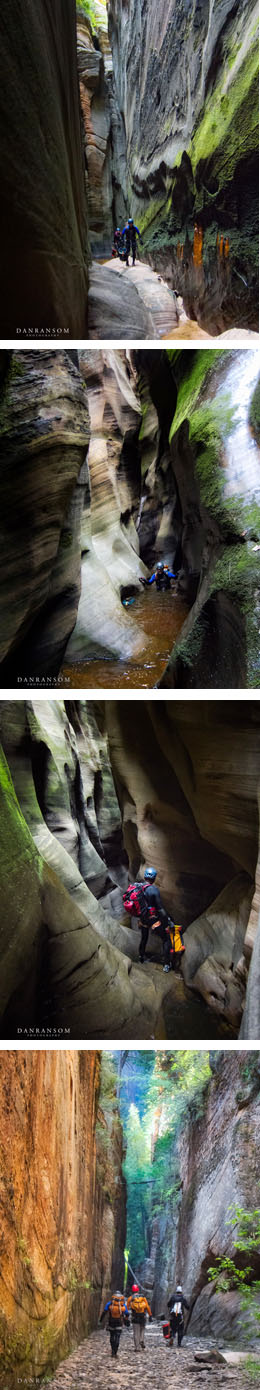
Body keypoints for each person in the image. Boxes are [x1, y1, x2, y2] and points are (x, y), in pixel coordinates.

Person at [138, 867, 170, 967]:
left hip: (142, 919)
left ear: (145, 876)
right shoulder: (153, 890)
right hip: (153, 920)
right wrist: (167, 921)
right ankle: (166, 964)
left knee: (144, 938)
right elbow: (160, 909)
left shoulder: (138, 887)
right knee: (166, 939)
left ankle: (141, 957)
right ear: (154, 878)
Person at [99, 1290, 129, 1358]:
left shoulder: (109, 1304)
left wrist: (100, 1320)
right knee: (117, 1337)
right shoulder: (122, 1304)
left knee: (112, 1336)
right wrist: (126, 1319)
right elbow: (127, 1313)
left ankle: (112, 1351)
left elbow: (104, 1312)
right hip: (119, 1322)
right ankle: (115, 1352)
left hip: (111, 1322)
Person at [127, 1284, 152, 1351]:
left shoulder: (130, 1298)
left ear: (132, 1290)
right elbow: (147, 1307)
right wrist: (150, 1315)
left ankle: (137, 1348)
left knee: (136, 1332)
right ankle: (141, 1339)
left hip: (135, 1317)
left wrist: (126, 1318)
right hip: (142, 1316)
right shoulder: (143, 1297)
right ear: (138, 1289)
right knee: (142, 1329)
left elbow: (126, 1309)